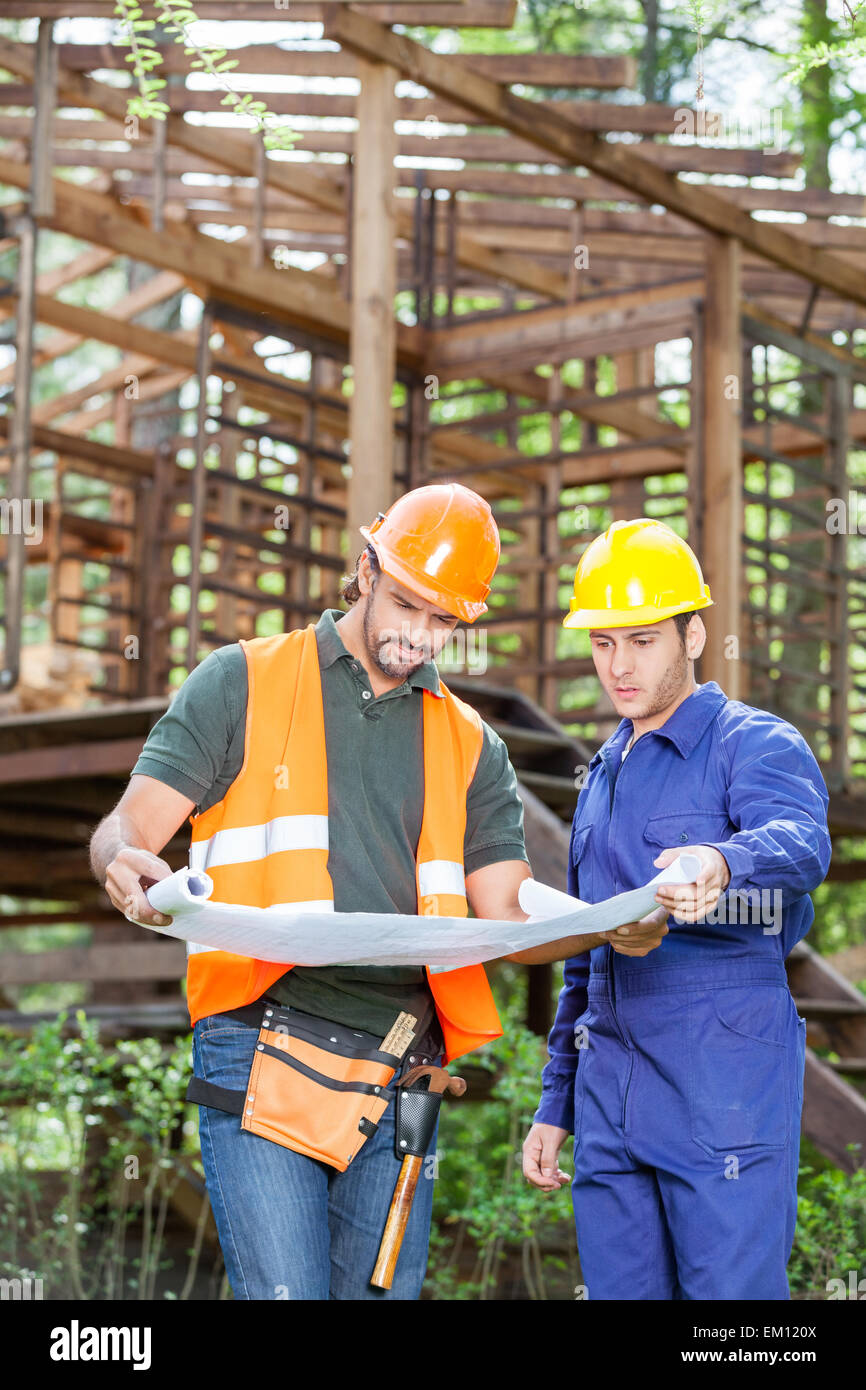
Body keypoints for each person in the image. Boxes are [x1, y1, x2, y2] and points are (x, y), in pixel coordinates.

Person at [90, 484, 668, 1301]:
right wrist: (124, 862)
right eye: (406, 604)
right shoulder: (242, 681)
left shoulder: (472, 744)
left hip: (402, 1074)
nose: (418, 636)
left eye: (443, 622)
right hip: (260, 1045)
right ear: (366, 568)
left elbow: (507, 913)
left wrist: (608, 928)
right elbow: (130, 827)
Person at [521, 517, 832, 1301]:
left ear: (694, 635)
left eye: (644, 640)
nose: (619, 667)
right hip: (610, 1098)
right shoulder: (600, 776)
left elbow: (801, 846)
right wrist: (556, 1102)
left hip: (721, 1093)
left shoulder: (752, 744)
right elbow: (589, 956)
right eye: (603, 644)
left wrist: (721, 861)